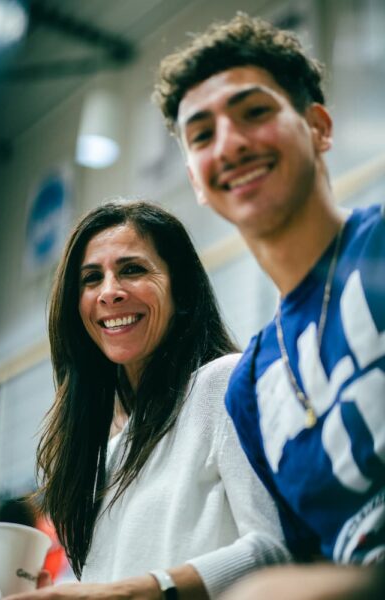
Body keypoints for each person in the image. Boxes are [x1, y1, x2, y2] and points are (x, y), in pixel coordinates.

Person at [153, 11, 384, 598]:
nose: (229, 144)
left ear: (318, 127)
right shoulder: (250, 389)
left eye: (254, 112)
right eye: (202, 135)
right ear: (198, 182)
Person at [6, 201, 289, 600]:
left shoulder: (223, 383)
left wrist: (130, 591)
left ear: (182, 288)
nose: (109, 292)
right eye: (91, 278)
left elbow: (275, 551)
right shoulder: (105, 453)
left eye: (132, 270)